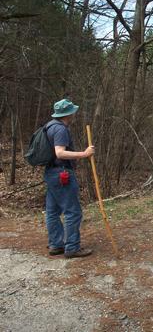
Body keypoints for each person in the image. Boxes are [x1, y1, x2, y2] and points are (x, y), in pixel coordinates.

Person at [44, 98, 95, 259]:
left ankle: (56, 244)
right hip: (62, 174)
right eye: (72, 111)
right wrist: (84, 154)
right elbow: (60, 152)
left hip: (52, 174)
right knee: (73, 211)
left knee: (52, 211)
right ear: (68, 114)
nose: (74, 114)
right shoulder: (60, 129)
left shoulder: (49, 126)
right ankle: (72, 247)